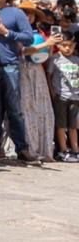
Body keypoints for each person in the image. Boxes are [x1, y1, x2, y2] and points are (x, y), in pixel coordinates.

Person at [0, 0, 40, 164]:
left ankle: (22, 149)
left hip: (10, 66)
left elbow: (29, 38)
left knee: (14, 110)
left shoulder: (16, 13)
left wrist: (6, 32)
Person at [18, 1, 58, 161]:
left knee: (42, 108)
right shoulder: (16, 32)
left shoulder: (38, 33)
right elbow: (21, 51)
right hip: (22, 69)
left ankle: (44, 147)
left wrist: (50, 45)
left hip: (37, 70)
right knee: (26, 108)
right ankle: (30, 147)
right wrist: (46, 43)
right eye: (25, 13)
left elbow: (45, 54)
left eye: (31, 14)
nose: (28, 16)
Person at [49, 27, 79, 162]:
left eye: (70, 46)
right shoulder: (55, 59)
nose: (67, 48)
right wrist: (53, 92)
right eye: (64, 45)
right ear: (58, 45)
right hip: (61, 96)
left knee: (73, 126)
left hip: (75, 97)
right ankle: (63, 150)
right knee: (61, 125)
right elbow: (49, 76)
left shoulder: (76, 60)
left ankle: (75, 150)